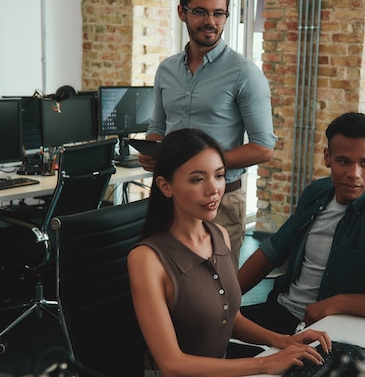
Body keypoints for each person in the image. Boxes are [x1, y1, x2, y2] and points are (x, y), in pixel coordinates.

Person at [128, 128, 331, 377]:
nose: (213, 189)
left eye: (219, 175)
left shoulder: (219, 235)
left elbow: (228, 317)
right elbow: (172, 364)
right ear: (165, 186)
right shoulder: (147, 260)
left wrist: (285, 341)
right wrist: (266, 363)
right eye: (197, 179)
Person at [138, 0, 277, 263]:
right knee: (169, 281)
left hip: (221, 200)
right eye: (200, 12)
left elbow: (263, 147)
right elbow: (157, 127)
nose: (211, 22)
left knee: (216, 295)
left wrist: (200, 168)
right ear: (182, 12)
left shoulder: (244, 74)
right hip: (170, 198)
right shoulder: (166, 70)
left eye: (219, 13)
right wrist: (154, 149)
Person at [238, 112, 365, 335]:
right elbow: (272, 252)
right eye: (343, 161)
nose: (354, 174)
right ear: (327, 158)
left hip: (328, 330)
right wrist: (224, 300)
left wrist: (340, 303)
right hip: (281, 313)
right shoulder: (317, 192)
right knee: (203, 333)